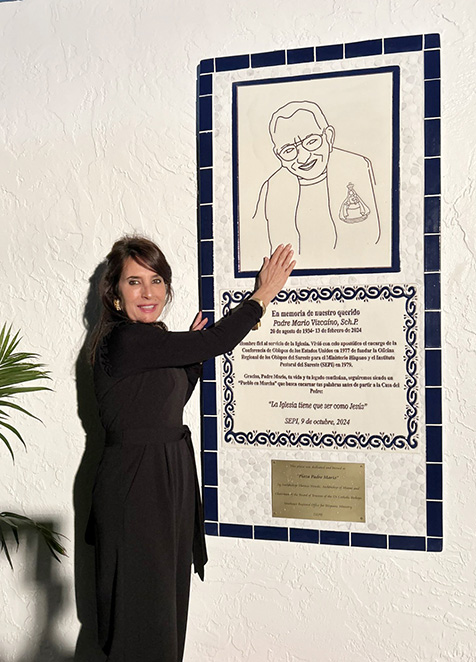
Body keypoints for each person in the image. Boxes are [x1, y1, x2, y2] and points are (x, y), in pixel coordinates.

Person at [86, 235, 294, 662]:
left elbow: (164, 405)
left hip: (167, 474)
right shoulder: (126, 340)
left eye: (157, 281)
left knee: (164, 603)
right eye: (134, 282)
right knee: (140, 607)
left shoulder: (151, 342)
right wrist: (262, 296)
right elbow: (214, 342)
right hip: (136, 483)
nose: (148, 293)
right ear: (115, 293)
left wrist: (189, 360)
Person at [245, 100, 381, 271]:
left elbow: (378, 241)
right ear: (278, 155)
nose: (303, 158)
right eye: (288, 150)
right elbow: (256, 245)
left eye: (311, 141)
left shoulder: (357, 167)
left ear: (329, 137)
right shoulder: (271, 188)